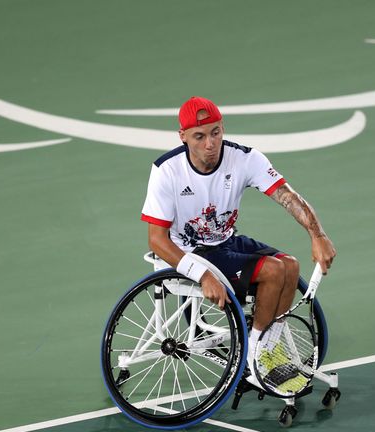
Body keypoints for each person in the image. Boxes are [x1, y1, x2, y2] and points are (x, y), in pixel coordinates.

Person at [140, 96, 336, 388]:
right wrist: (203, 275)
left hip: (225, 242)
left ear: (222, 128)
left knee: (290, 267)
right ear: (183, 137)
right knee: (271, 271)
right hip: (189, 252)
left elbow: (287, 196)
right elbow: (157, 240)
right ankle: (255, 357)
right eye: (200, 136)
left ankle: (263, 350)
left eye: (216, 132)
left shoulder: (245, 159)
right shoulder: (167, 171)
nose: (210, 143)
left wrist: (317, 235)